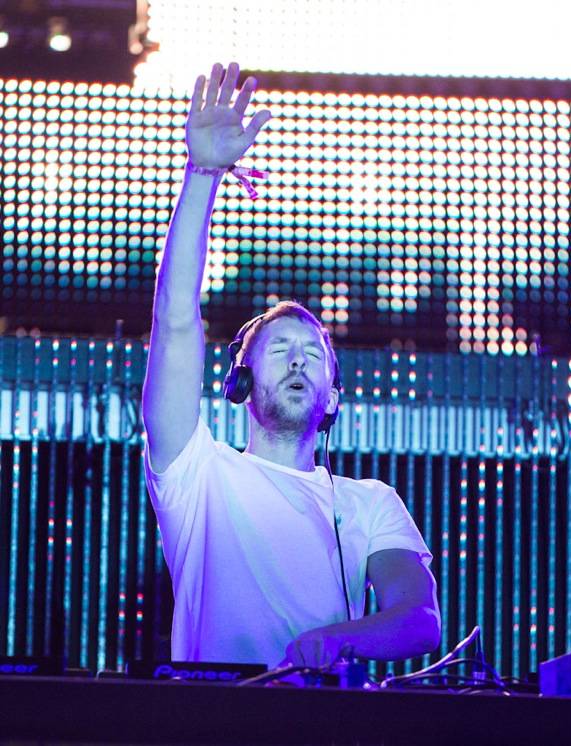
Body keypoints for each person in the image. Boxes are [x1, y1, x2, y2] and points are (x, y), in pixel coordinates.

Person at [142, 62, 441, 669]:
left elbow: (420, 620)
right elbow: (174, 320)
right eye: (278, 349)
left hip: (322, 718)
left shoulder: (369, 502)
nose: (298, 359)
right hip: (213, 715)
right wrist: (202, 174)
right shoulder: (197, 475)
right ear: (241, 381)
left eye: (312, 353)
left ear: (334, 397)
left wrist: (337, 640)